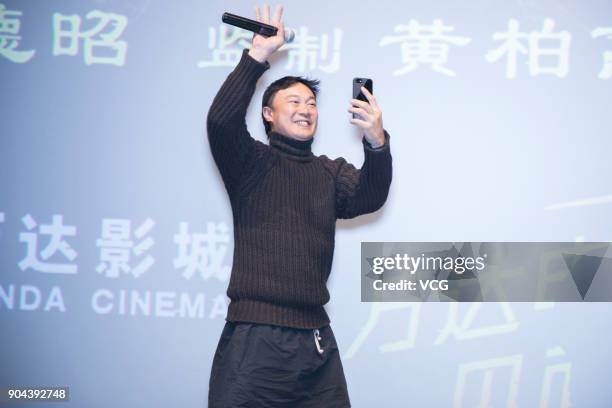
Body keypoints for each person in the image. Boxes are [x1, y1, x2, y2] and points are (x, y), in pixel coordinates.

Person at [206, 4, 392, 407]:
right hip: (255, 336)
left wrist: (377, 143)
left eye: (311, 103)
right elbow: (221, 122)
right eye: (293, 102)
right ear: (268, 115)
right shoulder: (250, 163)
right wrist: (258, 55)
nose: (306, 109)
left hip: (315, 340)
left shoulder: (329, 173)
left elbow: (371, 195)